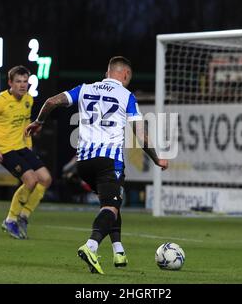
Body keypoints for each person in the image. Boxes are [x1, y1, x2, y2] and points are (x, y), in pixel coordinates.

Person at [26, 56, 169, 274]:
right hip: (108, 160)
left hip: (83, 163)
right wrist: (157, 159)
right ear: (126, 75)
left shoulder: (84, 88)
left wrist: (39, 122)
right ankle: (91, 246)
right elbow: (141, 136)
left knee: (111, 201)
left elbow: (51, 102)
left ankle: (118, 251)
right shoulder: (127, 96)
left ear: (107, 72)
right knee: (111, 206)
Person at [0, 65, 52, 240]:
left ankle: (24, 216)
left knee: (46, 179)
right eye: (18, 81)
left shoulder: (29, 99)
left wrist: (29, 145)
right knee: (31, 180)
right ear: (10, 82)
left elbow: (26, 125)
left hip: (21, 147)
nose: (22, 85)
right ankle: (10, 220)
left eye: (25, 81)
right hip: (5, 150)